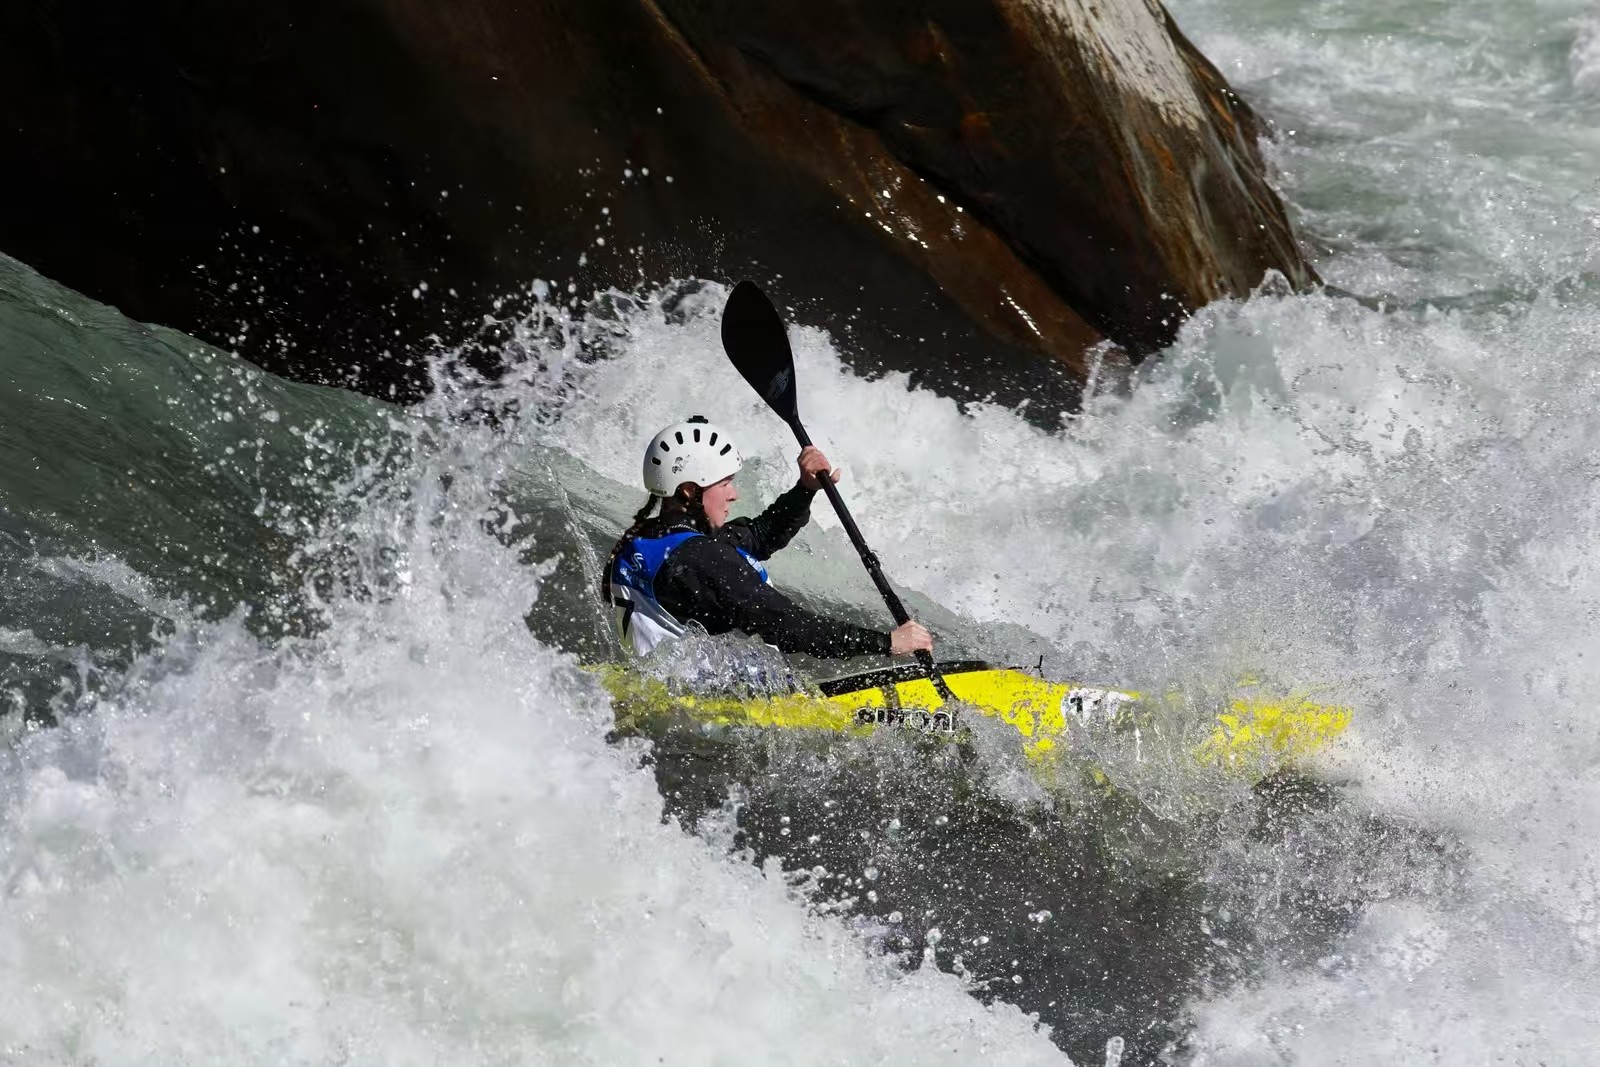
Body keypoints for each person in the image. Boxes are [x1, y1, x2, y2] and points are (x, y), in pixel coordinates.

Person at [602, 416, 934, 661]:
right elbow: (791, 627)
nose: (734, 494)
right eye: (725, 483)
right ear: (690, 490)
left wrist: (805, 489)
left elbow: (758, 536)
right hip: (712, 706)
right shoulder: (701, 559)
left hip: (667, 687)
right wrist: (888, 643)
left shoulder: (649, 539)